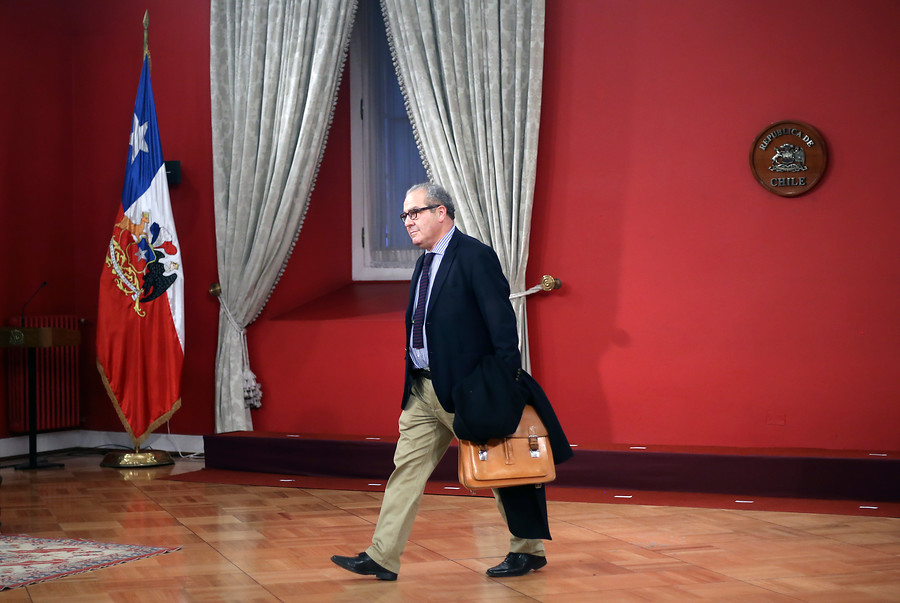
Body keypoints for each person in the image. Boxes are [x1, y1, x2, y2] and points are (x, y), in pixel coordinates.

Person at [331, 183, 567, 581]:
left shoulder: (475, 256)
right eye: (404, 215)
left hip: (469, 391)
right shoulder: (424, 263)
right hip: (422, 391)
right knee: (406, 470)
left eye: (414, 213)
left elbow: (503, 329)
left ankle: (527, 550)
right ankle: (382, 556)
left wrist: (502, 386)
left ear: (441, 212)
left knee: (501, 470)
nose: (408, 222)